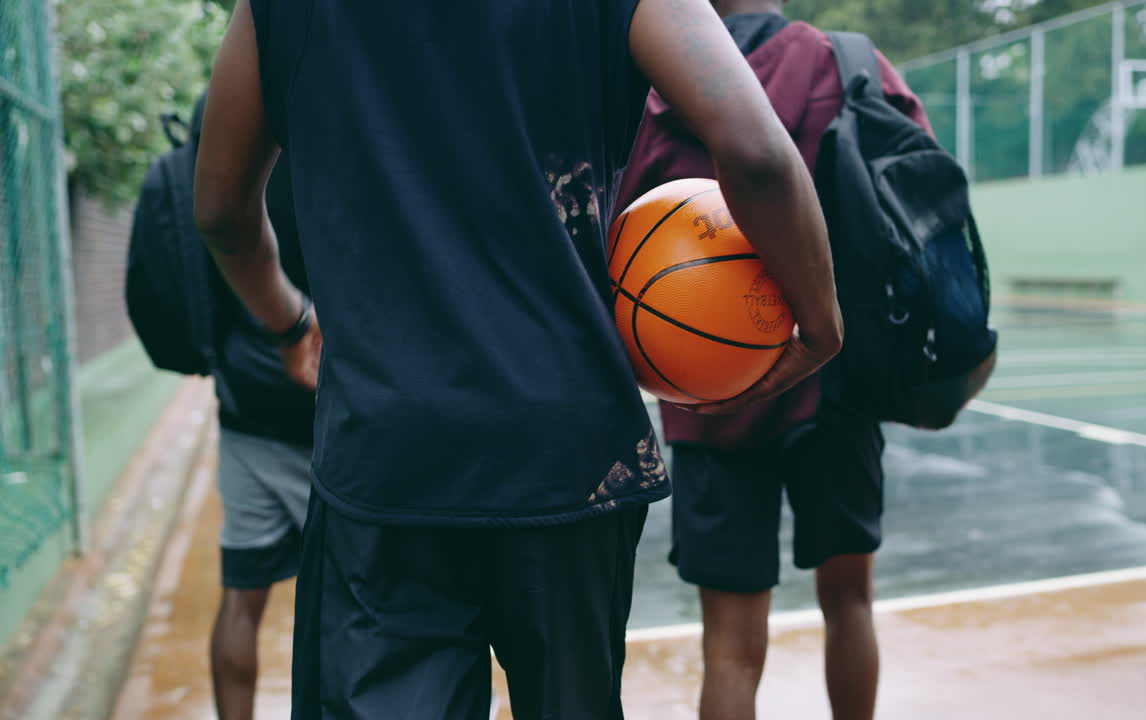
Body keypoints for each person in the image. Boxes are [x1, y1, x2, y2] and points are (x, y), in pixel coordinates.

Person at [193, 0, 843, 716]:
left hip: (387, 449)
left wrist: (289, 323)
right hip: (572, 447)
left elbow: (221, 208)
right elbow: (755, 153)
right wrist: (819, 323)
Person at [614, 2, 935, 718]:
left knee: (729, 644)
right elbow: (914, 195)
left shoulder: (657, 90)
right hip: (833, 385)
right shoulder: (844, 63)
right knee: (850, 602)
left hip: (707, 397)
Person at [164, 91, 317, 720]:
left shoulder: (217, 112)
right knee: (363, 601)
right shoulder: (328, 100)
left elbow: (222, 226)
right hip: (333, 396)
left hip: (247, 401)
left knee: (241, 597)